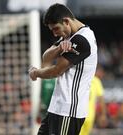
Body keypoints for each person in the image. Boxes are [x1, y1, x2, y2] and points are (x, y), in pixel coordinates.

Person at [29, 3, 97, 135]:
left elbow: (56, 71)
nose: (55, 34)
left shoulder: (81, 40)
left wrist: (36, 73)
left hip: (68, 110)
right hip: (57, 107)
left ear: (66, 21)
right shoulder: (69, 36)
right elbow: (46, 58)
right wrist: (59, 47)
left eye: (56, 29)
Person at [79, 65, 106, 135]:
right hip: (90, 116)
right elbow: (101, 100)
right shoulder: (96, 81)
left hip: (79, 114)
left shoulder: (81, 79)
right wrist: (103, 115)